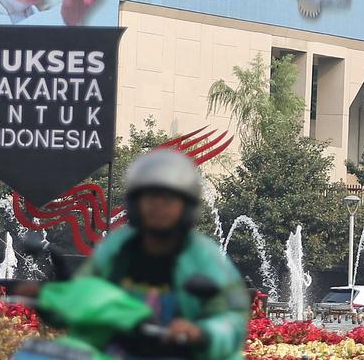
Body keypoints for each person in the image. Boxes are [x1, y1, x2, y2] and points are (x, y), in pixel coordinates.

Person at [77, 149, 250, 359]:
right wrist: (49, 297)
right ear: (135, 203)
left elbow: (233, 319)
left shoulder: (204, 257)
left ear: (186, 206)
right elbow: (84, 291)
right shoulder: (117, 247)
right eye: (150, 197)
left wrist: (201, 333)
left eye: (167, 199)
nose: (157, 206)